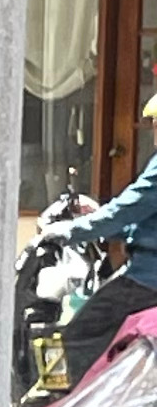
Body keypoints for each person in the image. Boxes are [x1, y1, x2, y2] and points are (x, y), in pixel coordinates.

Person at [62, 138, 157, 373]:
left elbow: (126, 210)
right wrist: (97, 220)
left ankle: (70, 393)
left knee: (78, 338)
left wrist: (68, 232)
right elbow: (143, 221)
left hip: (148, 278)